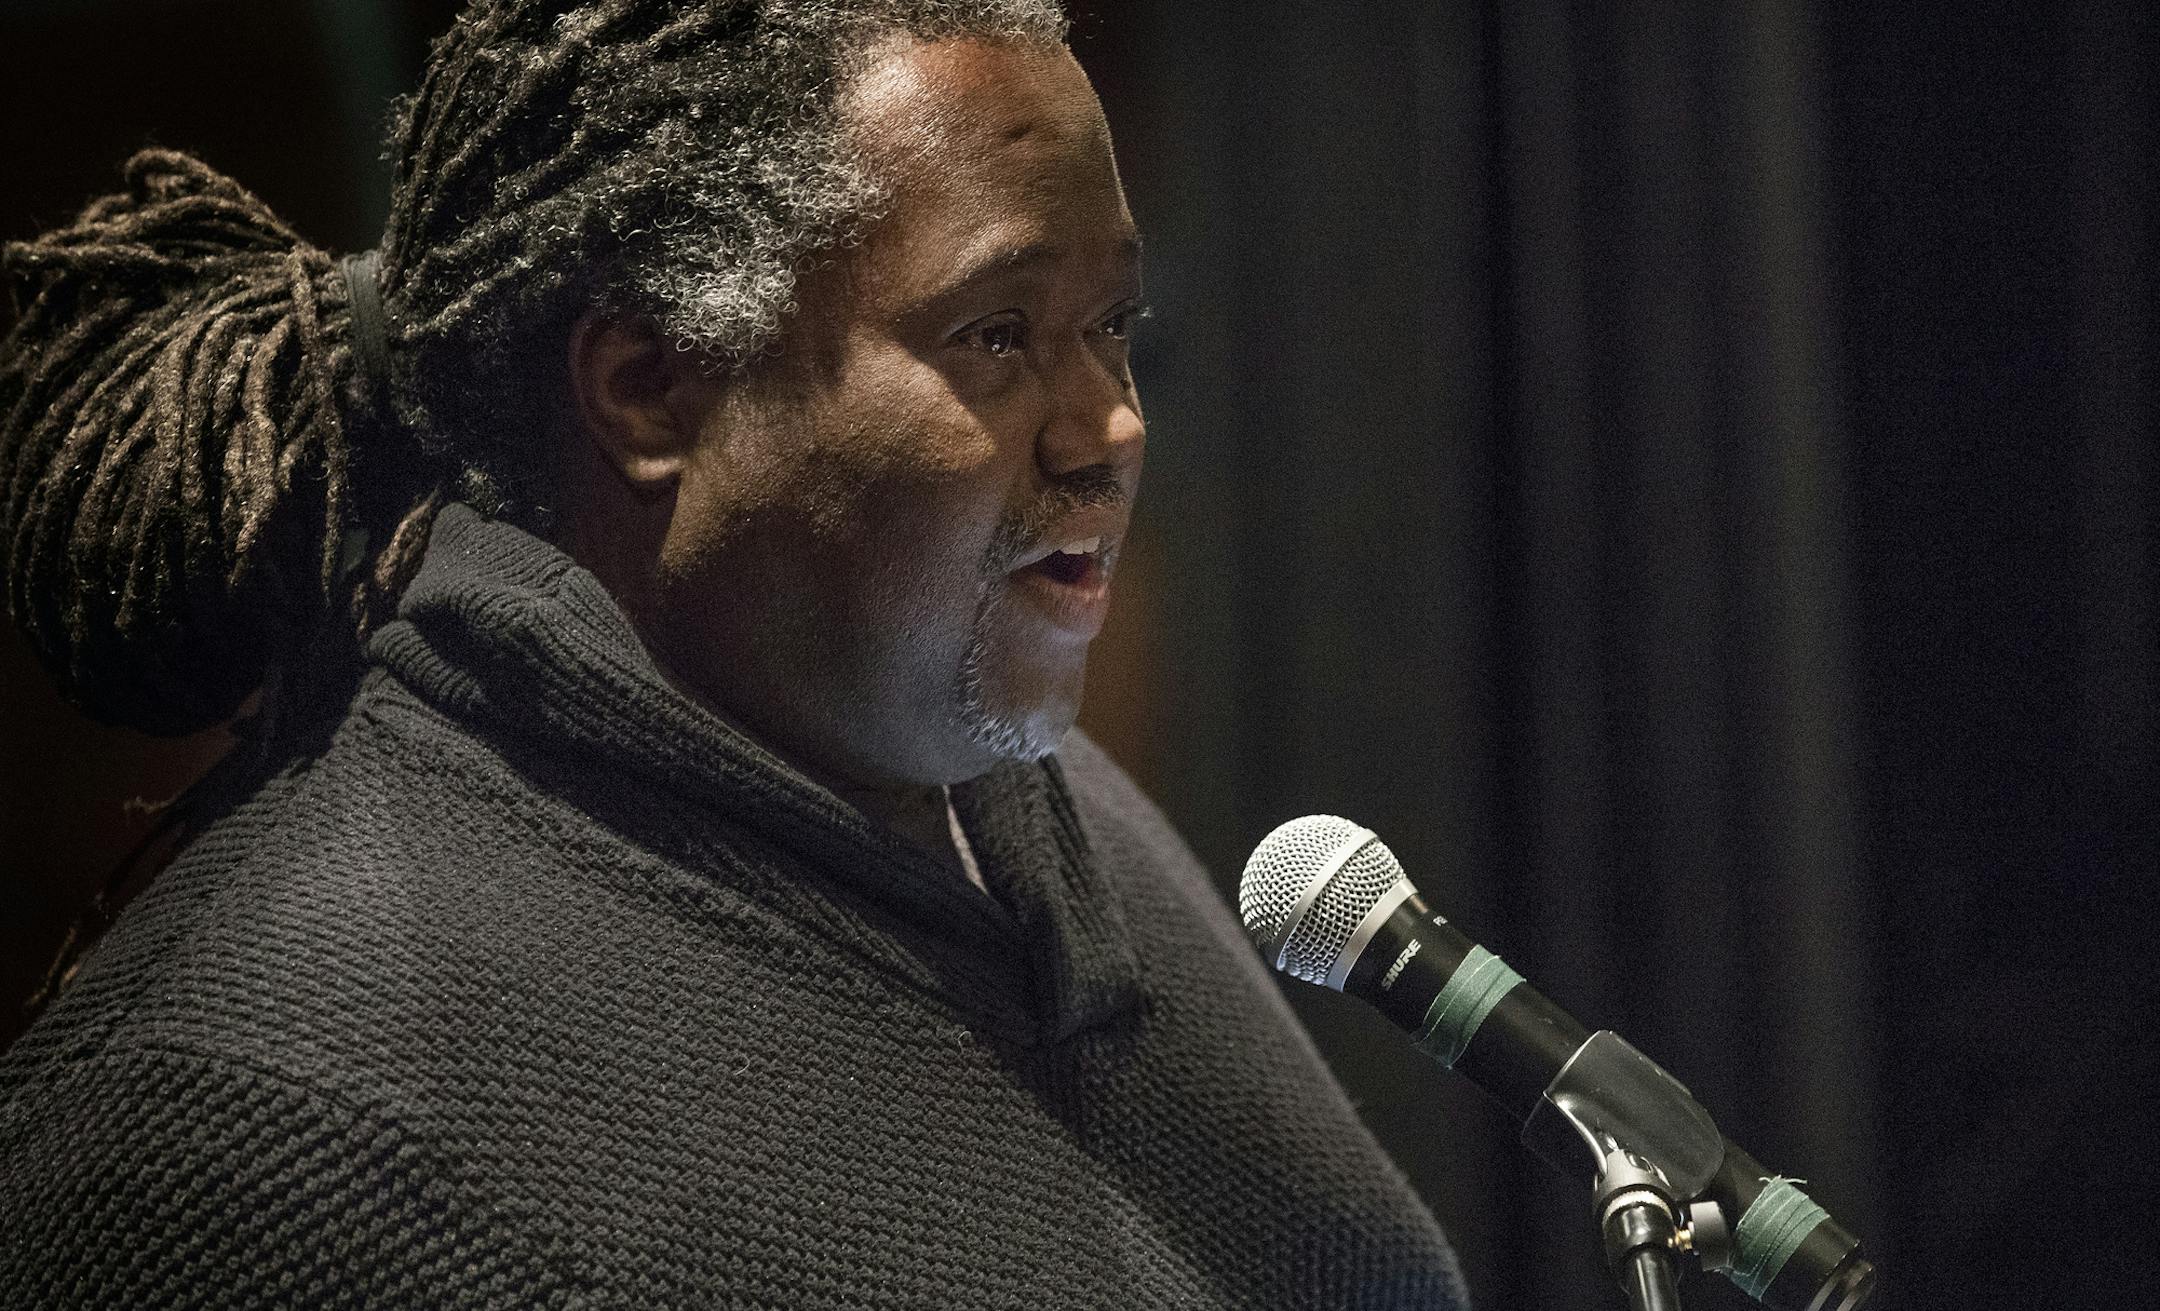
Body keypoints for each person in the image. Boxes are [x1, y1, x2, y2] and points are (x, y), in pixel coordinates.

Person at [0, 3, 1468, 1305]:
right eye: (999, 335)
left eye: (1113, 325)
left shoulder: (1042, 811)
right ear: (649, 388)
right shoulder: (248, 1116)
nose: (1111, 430)